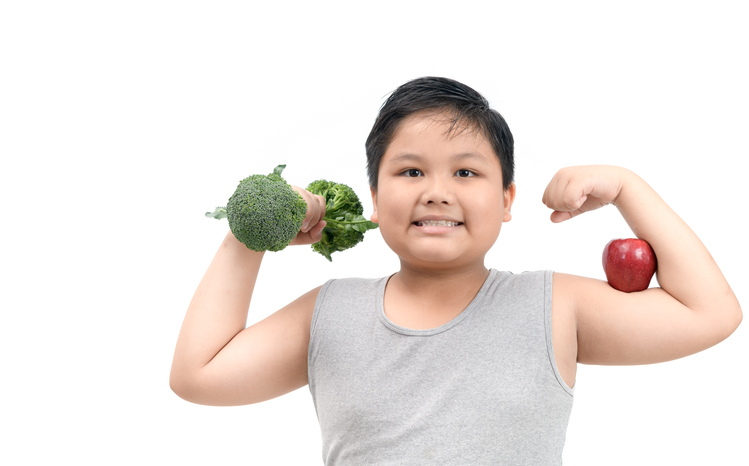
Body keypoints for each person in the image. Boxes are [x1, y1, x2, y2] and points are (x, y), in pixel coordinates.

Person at [170, 77, 742, 464]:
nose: (437, 192)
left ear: (507, 200)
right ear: (374, 197)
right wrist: (254, 231)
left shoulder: (551, 306)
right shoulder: (331, 311)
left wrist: (627, 187)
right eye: (411, 171)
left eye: (466, 173)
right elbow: (198, 375)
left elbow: (710, 314)